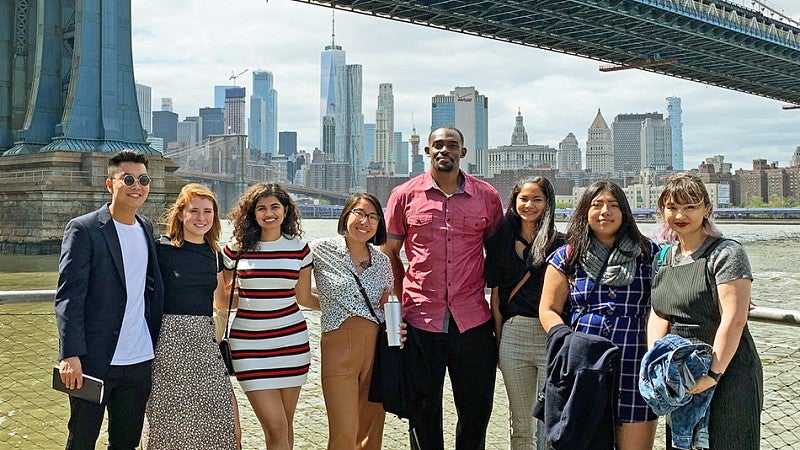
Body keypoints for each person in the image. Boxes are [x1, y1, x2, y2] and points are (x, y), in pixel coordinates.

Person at [383, 126, 504, 450]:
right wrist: (398, 314)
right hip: (420, 320)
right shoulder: (404, 196)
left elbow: (498, 257)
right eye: (438, 145)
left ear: (463, 153)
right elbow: (390, 254)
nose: (444, 150)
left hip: (473, 321)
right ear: (427, 151)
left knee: (476, 414)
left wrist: (499, 323)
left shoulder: (487, 197)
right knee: (422, 415)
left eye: (452, 145)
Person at [54, 150, 164, 449]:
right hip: (92, 361)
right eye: (128, 179)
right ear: (109, 184)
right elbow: (69, 296)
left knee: (126, 443)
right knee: (81, 441)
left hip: (139, 360)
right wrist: (70, 354)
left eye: (143, 179)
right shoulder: (84, 229)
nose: (136, 186)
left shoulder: (147, 228)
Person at [538, 180, 658, 450]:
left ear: (625, 212)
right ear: (585, 212)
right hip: (584, 365)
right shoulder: (567, 257)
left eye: (614, 205)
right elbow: (548, 310)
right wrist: (567, 342)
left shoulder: (649, 254)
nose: (605, 211)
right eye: (597, 205)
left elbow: (675, 294)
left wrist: (726, 295)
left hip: (635, 361)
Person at [647, 173, 762, 449]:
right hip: (681, 373)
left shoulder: (726, 254)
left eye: (690, 206)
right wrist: (660, 363)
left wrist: (712, 374)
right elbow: (659, 314)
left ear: (707, 209)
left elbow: (734, 320)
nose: (680, 215)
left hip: (727, 373)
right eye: (673, 207)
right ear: (662, 211)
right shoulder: (663, 258)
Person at [141, 183, 239, 449]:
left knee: (219, 412)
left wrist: (266, 292)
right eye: (194, 211)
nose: (201, 218)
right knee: (167, 417)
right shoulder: (159, 249)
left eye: (208, 211)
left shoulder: (213, 254)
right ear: (180, 213)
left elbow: (220, 299)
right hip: (167, 342)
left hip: (204, 341)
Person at [222, 182, 317, 450]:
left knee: (285, 426)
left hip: (292, 345)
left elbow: (304, 297)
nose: (269, 213)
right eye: (261, 208)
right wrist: (254, 299)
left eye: (275, 206)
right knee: (276, 427)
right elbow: (221, 297)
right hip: (250, 348)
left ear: (286, 211)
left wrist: (348, 309)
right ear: (252, 214)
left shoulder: (300, 248)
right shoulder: (236, 248)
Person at [485, 177, 565, 450]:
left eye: (537, 199)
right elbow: (496, 297)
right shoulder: (500, 241)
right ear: (514, 202)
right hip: (513, 335)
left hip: (550, 336)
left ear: (547, 204)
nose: (529, 205)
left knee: (550, 419)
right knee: (520, 422)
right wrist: (497, 342)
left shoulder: (562, 244)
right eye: (524, 199)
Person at [310, 193, 394, 450]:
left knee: (372, 431)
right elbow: (299, 294)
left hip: (378, 350)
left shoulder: (383, 261)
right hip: (338, 346)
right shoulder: (320, 250)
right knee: (344, 431)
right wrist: (334, 306)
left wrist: (397, 326)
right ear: (345, 215)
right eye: (359, 213)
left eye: (372, 217)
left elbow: (388, 304)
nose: (365, 221)